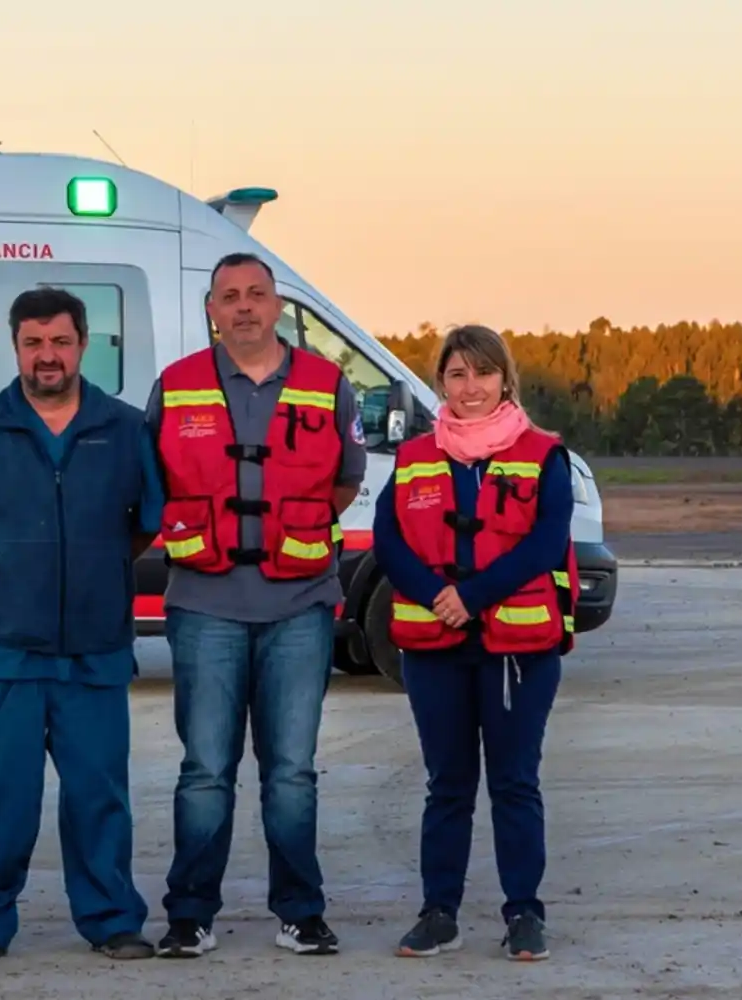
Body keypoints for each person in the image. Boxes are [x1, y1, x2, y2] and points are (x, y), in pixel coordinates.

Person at [0, 286, 164, 964]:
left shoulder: (123, 430)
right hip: (7, 648)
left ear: (83, 344)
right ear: (16, 348)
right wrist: (1, 570)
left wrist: (93, 571)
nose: (47, 356)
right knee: (1, 794)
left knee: (99, 793)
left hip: (95, 647)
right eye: (34, 343)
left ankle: (112, 919)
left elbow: (144, 525)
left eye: (60, 341)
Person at [144, 252, 368, 958]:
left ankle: (301, 911)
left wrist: (287, 534)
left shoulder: (331, 387)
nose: (244, 307)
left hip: (299, 605)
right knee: (205, 770)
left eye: (257, 295)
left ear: (278, 308)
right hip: (204, 605)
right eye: (229, 297)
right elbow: (150, 481)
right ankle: (190, 914)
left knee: (292, 771)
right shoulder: (175, 388)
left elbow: (344, 481)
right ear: (211, 310)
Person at [371, 324, 577, 963]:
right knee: (448, 785)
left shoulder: (544, 454)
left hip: (517, 651)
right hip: (437, 646)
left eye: (482, 374)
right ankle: (440, 913)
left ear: (504, 379)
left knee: (514, 783)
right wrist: (439, 596)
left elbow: (547, 541)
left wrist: (475, 594)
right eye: (456, 375)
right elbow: (390, 538)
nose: (470, 388)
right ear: (440, 385)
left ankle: (523, 913)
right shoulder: (414, 458)